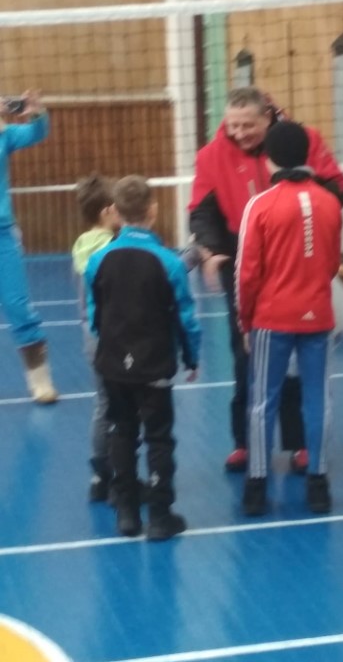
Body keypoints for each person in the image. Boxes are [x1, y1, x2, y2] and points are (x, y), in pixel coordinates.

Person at [188, 87, 343, 473]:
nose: (240, 133)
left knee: (294, 356)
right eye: (233, 126)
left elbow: (335, 188)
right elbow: (202, 211)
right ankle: (245, 442)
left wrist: (298, 211)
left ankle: (299, 444)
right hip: (240, 258)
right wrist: (212, 250)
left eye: (248, 125)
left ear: (267, 118)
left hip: (295, 256)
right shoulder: (211, 156)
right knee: (245, 352)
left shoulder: (301, 141)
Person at [85, 175, 201, 540]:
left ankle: (127, 514)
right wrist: (192, 358)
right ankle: (161, 516)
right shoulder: (169, 263)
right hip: (155, 365)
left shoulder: (97, 260)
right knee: (159, 438)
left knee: (122, 432)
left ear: (116, 213)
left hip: (113, 364)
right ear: (153, 210)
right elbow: (185, 317)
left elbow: (94, 315)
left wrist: (111, 346)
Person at [236, 121, 342, 516]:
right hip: (318, 317)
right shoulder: (329, 202)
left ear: (268, 159)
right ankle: (319, 483)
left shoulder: (260, 205)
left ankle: (257, 487)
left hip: (272, 319)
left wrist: (246, 322)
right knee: (318, 399)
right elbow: (332, 264)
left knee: (263, 401)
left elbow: (247, 274)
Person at [0, 90, 58, 404]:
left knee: (18, 306)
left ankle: (40, 382)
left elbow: (37, 132)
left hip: (2, 236)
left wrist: (36, 112)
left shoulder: (5, 136)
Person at [72, 173, 120, 502]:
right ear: (107, 211)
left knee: (103, 404)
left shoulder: (80, 244)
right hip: (114, 336)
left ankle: (99, 476)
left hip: (91, 335)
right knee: (123, 407)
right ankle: (119, 475)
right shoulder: (111, 248)